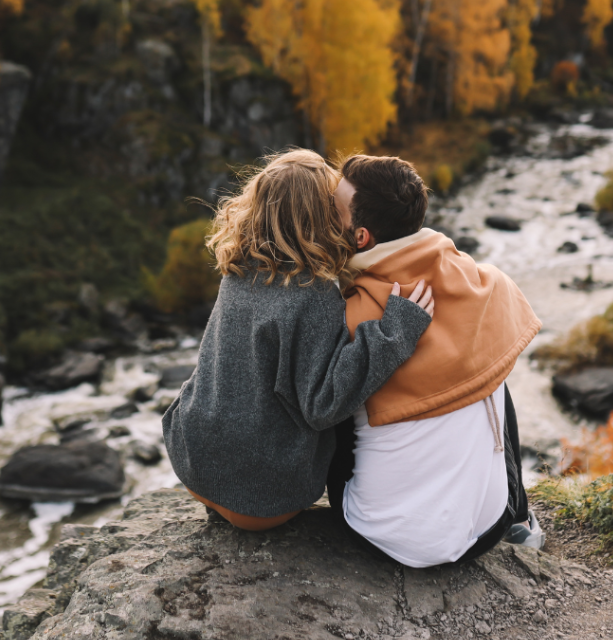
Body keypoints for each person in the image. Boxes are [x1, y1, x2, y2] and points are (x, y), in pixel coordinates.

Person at [162, 148, 435, 531]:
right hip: (260, 501)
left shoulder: (239, 265)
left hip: (192, 461)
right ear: (320, 217)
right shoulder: (313, 292)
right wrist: (393, 333)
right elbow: (324, 405)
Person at [327, 153, 544, 567]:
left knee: (337, 394)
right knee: (491, 364)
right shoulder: (487, 285)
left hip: (383, 536)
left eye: (332, 210)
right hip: (486, 530)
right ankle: (519, 516)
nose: (323, 215)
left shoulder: (349, 316)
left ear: (360, 238)